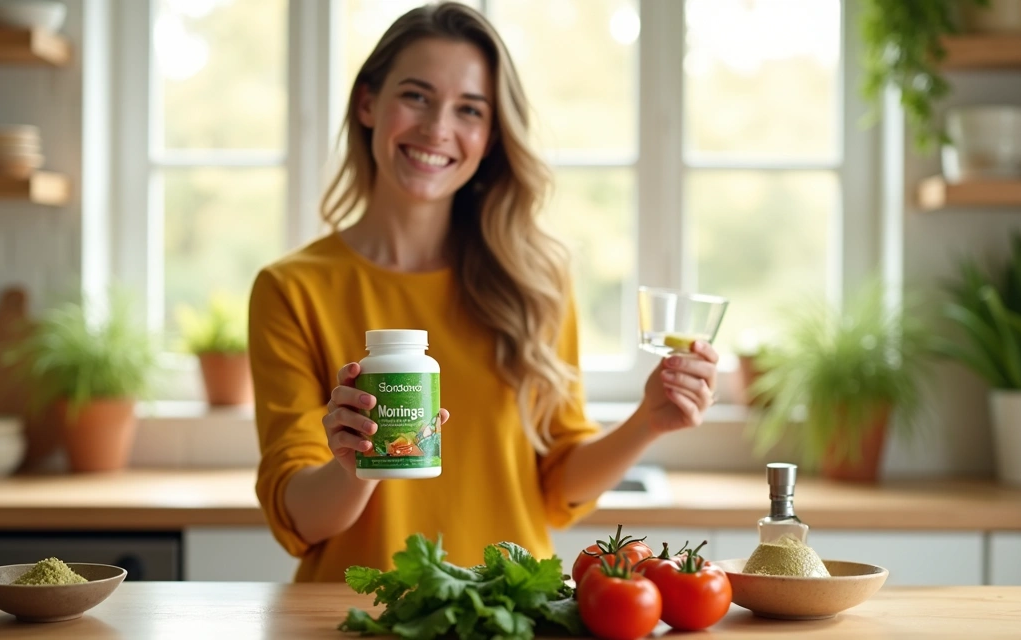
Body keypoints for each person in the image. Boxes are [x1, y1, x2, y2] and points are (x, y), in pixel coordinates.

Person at [249, 1, 719, 583]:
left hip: (512, 609)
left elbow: (555, 489)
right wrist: (355, 468)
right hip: (359, 615)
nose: (437, 128)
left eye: (469, 109)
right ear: (368, 102)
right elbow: (299, 517)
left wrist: (649, 418)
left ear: (492, 135)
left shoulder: (536, 280)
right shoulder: (292, 290)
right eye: (416, 96)